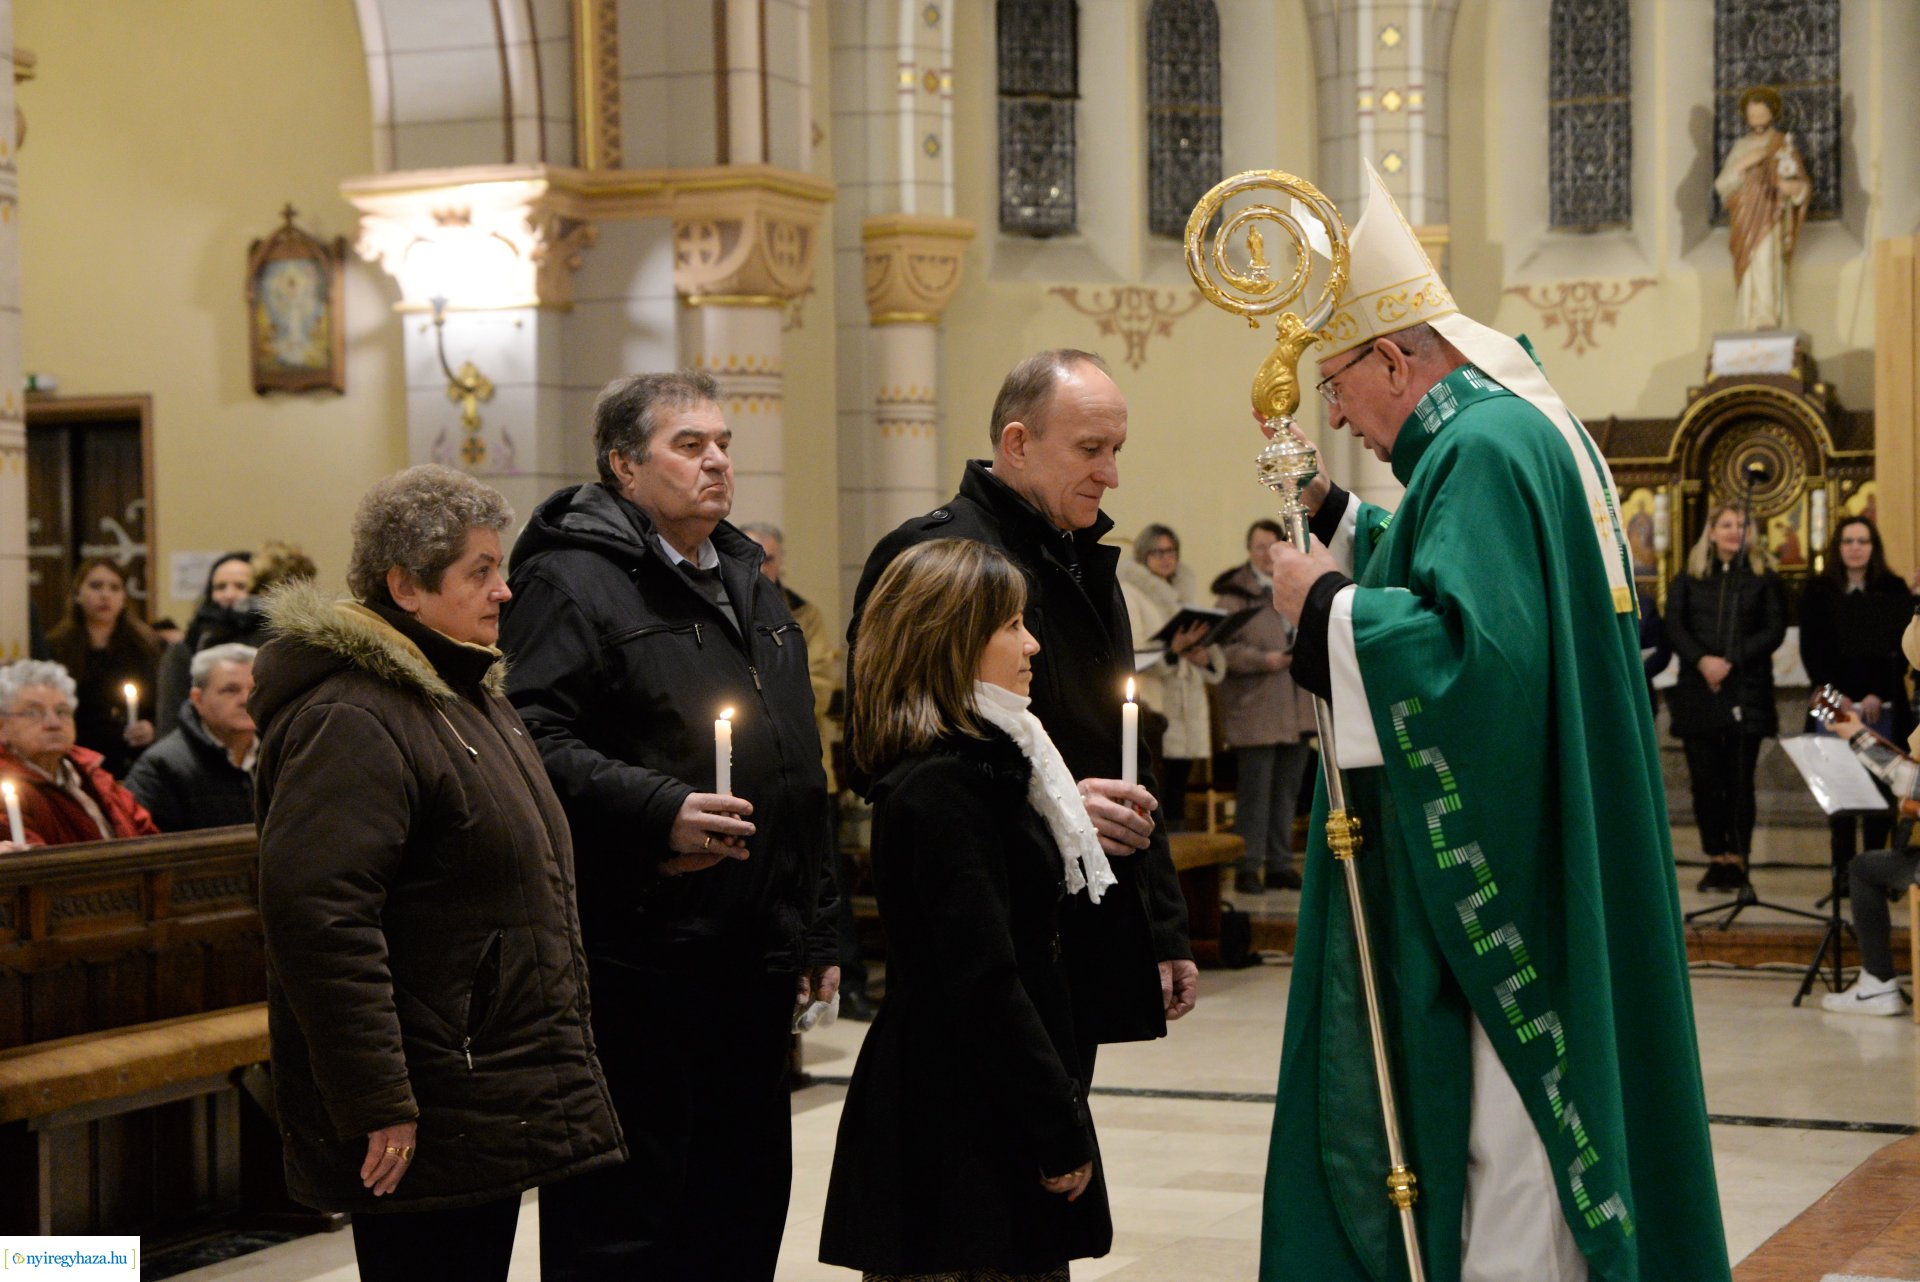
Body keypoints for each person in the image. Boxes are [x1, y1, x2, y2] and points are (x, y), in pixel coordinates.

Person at [1260, 166, 1728, 1282]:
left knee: (1508, 1142)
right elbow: (1486, 583)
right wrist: (1349, 522)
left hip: (1514, 864)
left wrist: (1320, 604)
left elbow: (1479, 665)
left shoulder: (1474, 449)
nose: (1334, 414)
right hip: (1570, 828)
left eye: (1337, 383)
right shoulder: (1511, 427)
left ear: (1393, 357)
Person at [499, 371, 837, 1282]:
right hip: (641, 948)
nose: (718, 460)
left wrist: (818, 918)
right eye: (689, 445)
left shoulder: (746, 577)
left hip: (750, 943)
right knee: (633, 1212)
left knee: (744, 1193)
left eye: (723, 442)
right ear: (622, 464)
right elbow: (527, 736)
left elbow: (798, 764)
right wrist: (657, 810)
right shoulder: (569, 580)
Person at [249, 465, 623, 1282]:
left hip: (475, 1078)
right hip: (426, 1088)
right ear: (404, 588)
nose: (504, 592)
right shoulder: (353, 716)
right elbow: (322, 923)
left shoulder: (461, 693)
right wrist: (378, 1100)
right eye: (479, 572)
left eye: (501, 569)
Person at [849, 349, 1196, 1076]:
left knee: (1060, 1135)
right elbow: (881, 753)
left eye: (1116, 450)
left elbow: (1125, 754)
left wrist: (1160, 926)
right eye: (1090, 450)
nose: (1111, 473)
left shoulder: (1084, 562)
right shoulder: (937, 556)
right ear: (1017, 443)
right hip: (982, 930)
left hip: (1084, 911)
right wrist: (1057, 804)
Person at [821, 539, 1113, 1279]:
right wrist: (1057, 1123)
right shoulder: (946, 786)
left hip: (981, 1092)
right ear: (952, 640)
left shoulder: (990, 764)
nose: (1033, 643)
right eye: (1011, 625)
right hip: (957, 1115)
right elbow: (982, 978)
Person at [742, 520, 875, 1020]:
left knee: (825, 887)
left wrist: (763, 698)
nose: (763, 567)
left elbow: (815, 681)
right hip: (748, 770)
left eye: (770, 558)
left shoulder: (802, 612)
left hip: (809, 769)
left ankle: (851, 980)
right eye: (755, 557)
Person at [1665, 505, 1786, 892]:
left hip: (1745, 690)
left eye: (1743, 525)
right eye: (1727, 525)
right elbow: (1675, 626)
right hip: (1698, 691)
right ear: (1711, 532)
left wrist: (1729, 661)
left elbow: (1774, 629)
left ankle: (1738, 859)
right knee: (1704, 780)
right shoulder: (1688, 579)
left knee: (1738, 780)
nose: (1735, 531)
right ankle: (1715, 857)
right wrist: (1702, 662)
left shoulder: (1763, 579)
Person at [1800, 516, 1913, 868]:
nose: (1855, 548)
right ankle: (1844, 871)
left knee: (1881, 793)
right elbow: (1811, 650)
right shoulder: (1818, 591)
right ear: (1838, 547)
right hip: (1834, 705)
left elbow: (1903, 650)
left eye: (1862, 541)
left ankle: (1877, 868)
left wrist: (1879, 694)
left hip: (1885, 706)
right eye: (1848, 541)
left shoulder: (1893, 590)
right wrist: (1837, 696)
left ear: (1873, 547)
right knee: (1841, 791)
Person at [1212, 519, 1317, 894]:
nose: (1265, 554)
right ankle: (1247, 866)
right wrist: (1265, 659)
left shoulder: (1300, 581)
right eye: (1258, 547)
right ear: (1248, 550)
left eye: (1271, 547)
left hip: (1297, 705)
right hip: (1256, 705)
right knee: (1255, 794)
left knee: (1288, 791)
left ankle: (1279, 864)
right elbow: (1220, 648)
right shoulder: (1234, 593)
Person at [1119, 523, 1223, 833]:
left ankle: (1183, 851)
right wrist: (1172, 650)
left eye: (1172, 552)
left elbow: (1204, 646)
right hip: (1156, 701)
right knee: (1159, 784)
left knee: (1181, 778)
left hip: (1187, 699)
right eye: (1158, 552)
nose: (1167, 559)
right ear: (1143, 554)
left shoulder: (1183, 591)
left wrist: (1204, 656)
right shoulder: (1131, 592)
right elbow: (1132, 652)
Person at [0, 659, 160, 847]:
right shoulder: (6, 789)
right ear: (2, 727)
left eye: (62, 711)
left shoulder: (92, 771)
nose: (54, 723)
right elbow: (34, 867)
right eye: (33, 713)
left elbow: (150, 838)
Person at [44, 558, 161, 779]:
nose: (105, 595)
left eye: (114, 587)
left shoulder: (145, 646)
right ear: (78, 594)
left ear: (124, 598)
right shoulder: (56, 647)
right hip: (77, 758)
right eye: (96, 586)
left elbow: (162, 703)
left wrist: (152, 727)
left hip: (133, 761)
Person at [126, 643, 259, 831]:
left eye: (254, 690)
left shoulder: (281, 754)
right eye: (231, 690)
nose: (246, 700)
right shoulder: (160, 767)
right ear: (198, 699)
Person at [1714, 85, 1811, 331]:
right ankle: (1747, 319)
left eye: (1761, 115)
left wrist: (1794, 189)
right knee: (1749, 266)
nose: (1757, 120)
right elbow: (1722, 185)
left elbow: (1802, 184)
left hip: (1770, 212)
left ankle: (1767, 317)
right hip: (1745, 214)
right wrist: (1743, 165)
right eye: (1752, 115)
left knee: (1766, 261)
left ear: (1772, 114)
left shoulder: (1782, 144)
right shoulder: (1740, 147)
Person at [155, 551, 265, 737]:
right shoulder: (187, 647)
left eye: (240, 586)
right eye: (220, 587)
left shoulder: (273, 645)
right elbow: (170, 718)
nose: (229, 594)